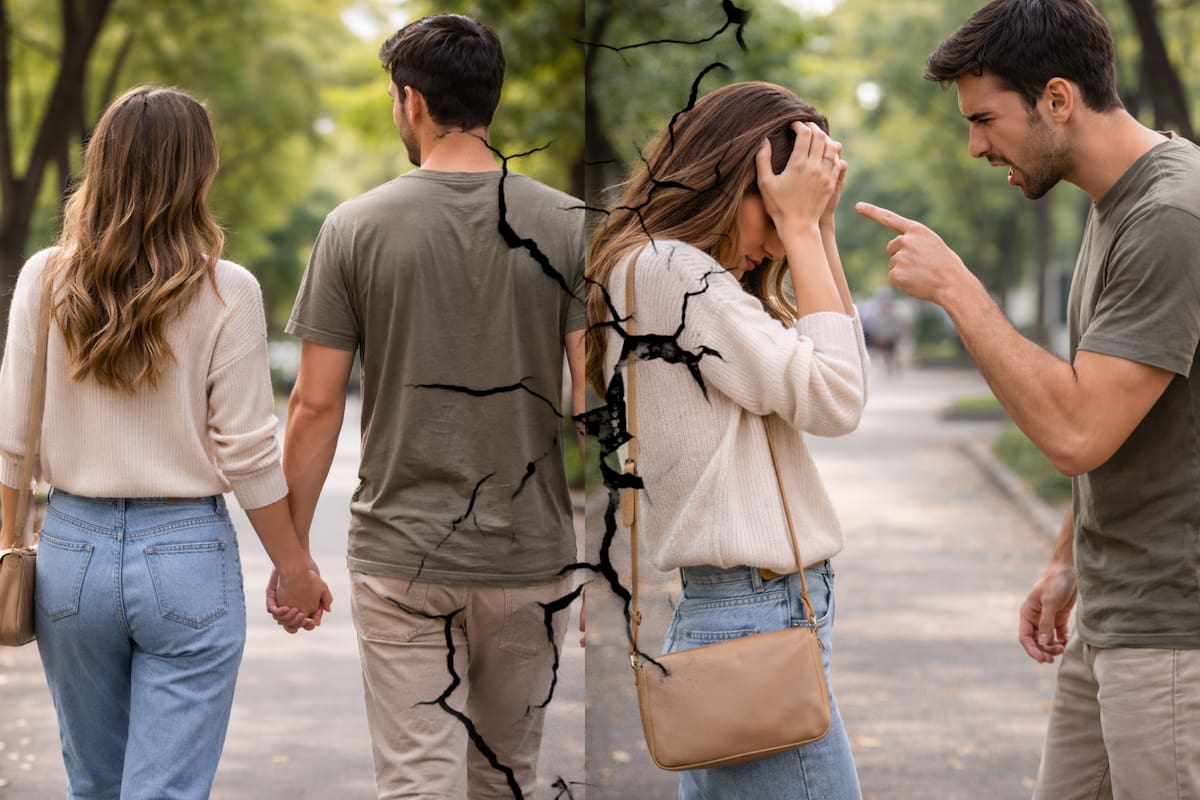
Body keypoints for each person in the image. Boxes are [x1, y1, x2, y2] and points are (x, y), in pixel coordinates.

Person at [854, 1, 1200, 797]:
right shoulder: (1117, 204)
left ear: (1056, 99)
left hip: (1171, 627)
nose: (975, 145)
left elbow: (1077, 432)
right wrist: (1064, 562)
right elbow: (1129, 424)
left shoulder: (1169, 216)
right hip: (1113, 611)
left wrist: (960, 291)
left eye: (984, 119)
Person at [270, 14, 586, 798]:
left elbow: (314, 408)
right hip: (530, 557)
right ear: (492, 102)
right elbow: (604, 405)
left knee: (418, 782)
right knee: (504, 777)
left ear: (411, 101)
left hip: (402, 558)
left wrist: (294, 555)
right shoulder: (570, 225)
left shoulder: (354, 228)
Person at [0, 85, 331, 799]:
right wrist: (294, 566)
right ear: (198, 172)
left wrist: (9, 541)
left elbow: (9, 444)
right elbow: (245, 450)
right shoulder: (227, 291)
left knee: (93, 785)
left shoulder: (43, 279)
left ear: (102, 164)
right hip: (185, 554)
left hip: (72, 553)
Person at [586, 81, 869, 799]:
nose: (775, 242)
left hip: (765, 613)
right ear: (723, 179)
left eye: (790, 219)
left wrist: (818, 227)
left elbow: (838, 382)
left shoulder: (690, 281)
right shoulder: (667, 271)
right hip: (750, 616)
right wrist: (804, 233)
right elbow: (837, 400)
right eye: (771, 214)